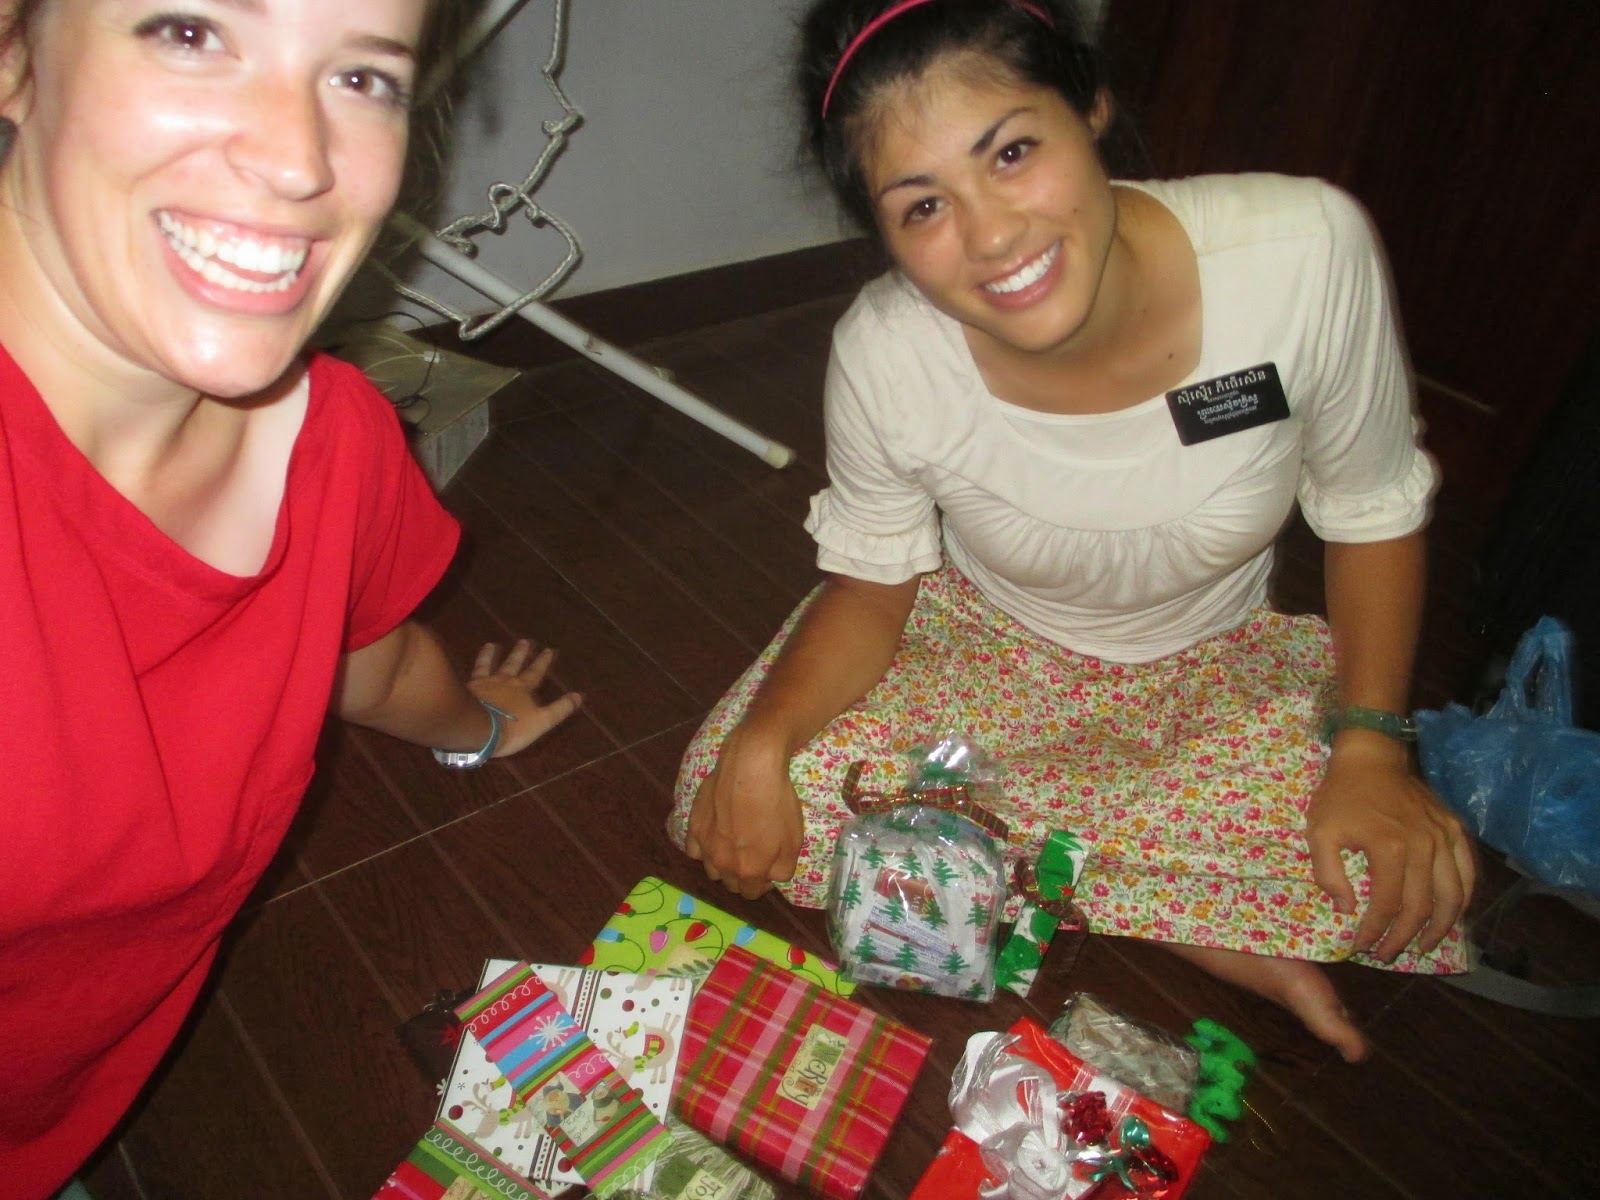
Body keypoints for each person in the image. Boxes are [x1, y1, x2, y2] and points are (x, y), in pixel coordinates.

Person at [670, 0, 1477, 1064]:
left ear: (1089, 106)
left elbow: (1372, 512)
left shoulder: (1302, 250)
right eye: (923, 206)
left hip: (1217, 669)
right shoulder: (885, 352)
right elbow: (871, 590)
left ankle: (1051, 876)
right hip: (986, 652)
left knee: (1387, 879)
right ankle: (1180, 909)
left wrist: (1370, 744)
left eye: (1011, 152)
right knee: (733, 795)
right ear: (883, 233)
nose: (992, 236)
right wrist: (763, 747)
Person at [0, 2, 582, 1196]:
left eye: (362, 77)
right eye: (189, 31)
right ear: (14, 53)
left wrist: (476, 730)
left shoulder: (339, 440)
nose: (298, 160)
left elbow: (366, 658)